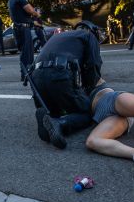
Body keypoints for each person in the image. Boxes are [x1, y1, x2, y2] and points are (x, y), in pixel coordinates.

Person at [30, 21, 103, 149]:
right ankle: (60, 123)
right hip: (58, 75)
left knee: (59, 108)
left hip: (36, 78)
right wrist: (88, 92)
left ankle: (50, 117)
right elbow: (93, 66)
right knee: (88, 112)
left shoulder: (59, 36)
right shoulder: (88, 36)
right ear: (92, 30)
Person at [8, 0, 40, 81]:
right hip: (22, 28)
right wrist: (36, 13)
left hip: (19, 27)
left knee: (25, 52)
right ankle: (27, 74)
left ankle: (26, 73)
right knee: (27, 53)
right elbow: (29, 10)